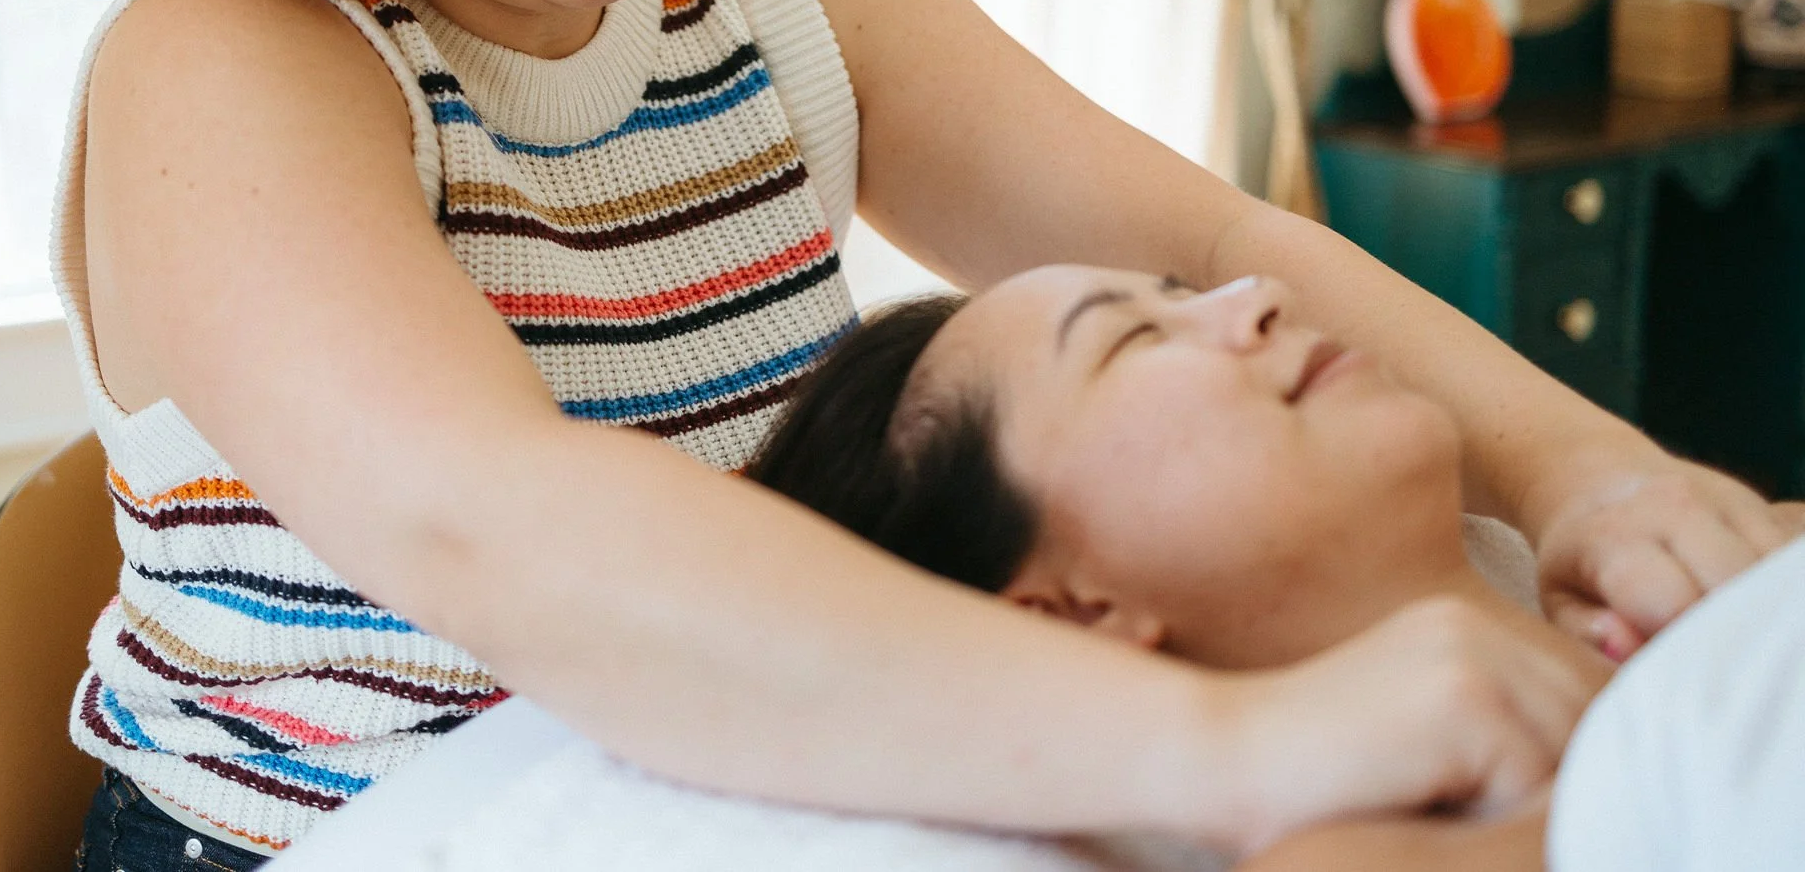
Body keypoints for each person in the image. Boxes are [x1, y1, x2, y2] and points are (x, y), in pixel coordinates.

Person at [57, 0, 1795, 866]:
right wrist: (1240, 746)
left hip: (745, 775)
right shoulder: (228, 52)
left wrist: (1588, 473)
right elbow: (495, 525)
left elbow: (1201, 244)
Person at [745, 269, 1802, 870]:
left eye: (1180, 289)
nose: (1255, 294)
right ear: (1069, 608)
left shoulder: (1733, 555)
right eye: (1133, 340)